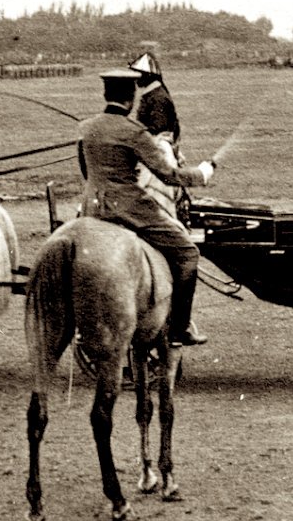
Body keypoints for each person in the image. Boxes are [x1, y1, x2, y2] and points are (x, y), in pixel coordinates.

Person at [78, 69, 216, 348]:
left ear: (106, 94)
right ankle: (179, 328)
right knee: (188, 253)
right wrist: (202, 174)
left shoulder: (85, 128)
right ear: (131, 99)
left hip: (91, 208)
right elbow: (168, 175)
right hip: (128, 209)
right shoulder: (135, 133)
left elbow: (85, 170)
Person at [128, 52, 207, 344]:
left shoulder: (155, 98)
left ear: (146, 77)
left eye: (138, 76)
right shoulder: (155, 94)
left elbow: (159, 140)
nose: (136, 81)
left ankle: (175, 325)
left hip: (156, 167)